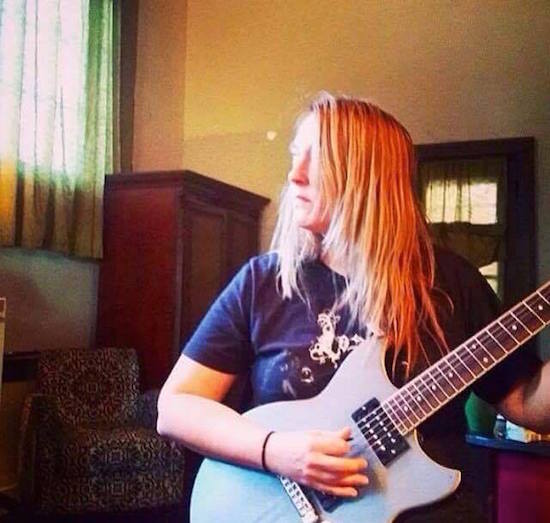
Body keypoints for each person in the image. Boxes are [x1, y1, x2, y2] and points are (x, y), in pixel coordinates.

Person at [157, 93, 550, 521]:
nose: (295, 174)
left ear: (369, 178)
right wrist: (276, 451)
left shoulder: (452, 282)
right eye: (295, 155)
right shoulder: (263, 282)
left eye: (318, 160)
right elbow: (176, 407)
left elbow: (527, 405)